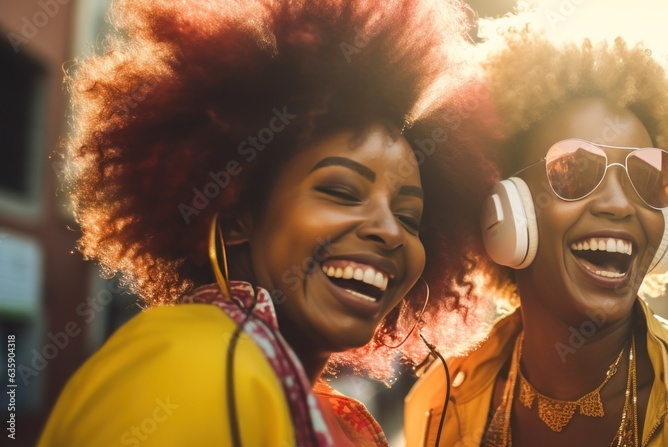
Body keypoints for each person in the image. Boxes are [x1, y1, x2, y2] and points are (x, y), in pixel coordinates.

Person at [40, 0, 501, 445]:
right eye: (341, 192)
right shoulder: (196, 365)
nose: (390, 230)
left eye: (410, 217)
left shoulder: (299, 397)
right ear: (236, 214)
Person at [404, 23, 668, 447]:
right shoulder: (438, 407)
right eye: (575, 169)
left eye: (646, 177)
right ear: (506, 206)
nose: (620, 205)